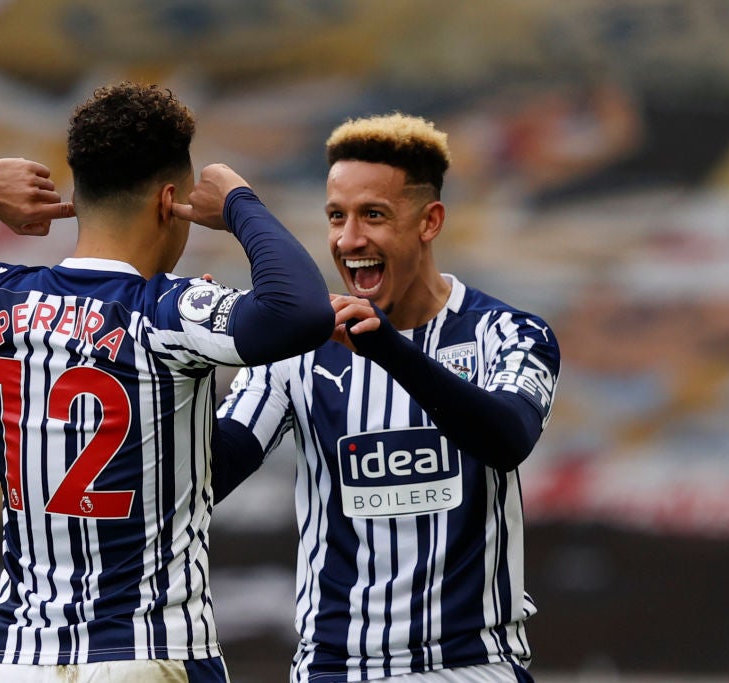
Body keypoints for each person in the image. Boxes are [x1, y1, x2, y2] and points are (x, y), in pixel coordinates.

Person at [0, 81, 335, 683]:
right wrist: (240, 202)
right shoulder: (170, 312)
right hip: (151, 653)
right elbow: (301, 311)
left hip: (23, 660)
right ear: (169, 202)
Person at [212, 112, 561, 683]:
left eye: (373, 215)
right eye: (336, 217)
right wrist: (194, 370)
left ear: (430, 222)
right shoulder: (300, 350)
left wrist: (388, 350)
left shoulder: (507, 332)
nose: (349, 240)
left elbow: (507, 438)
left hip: (473, 666)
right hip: (335, 669)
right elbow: (214, 473)